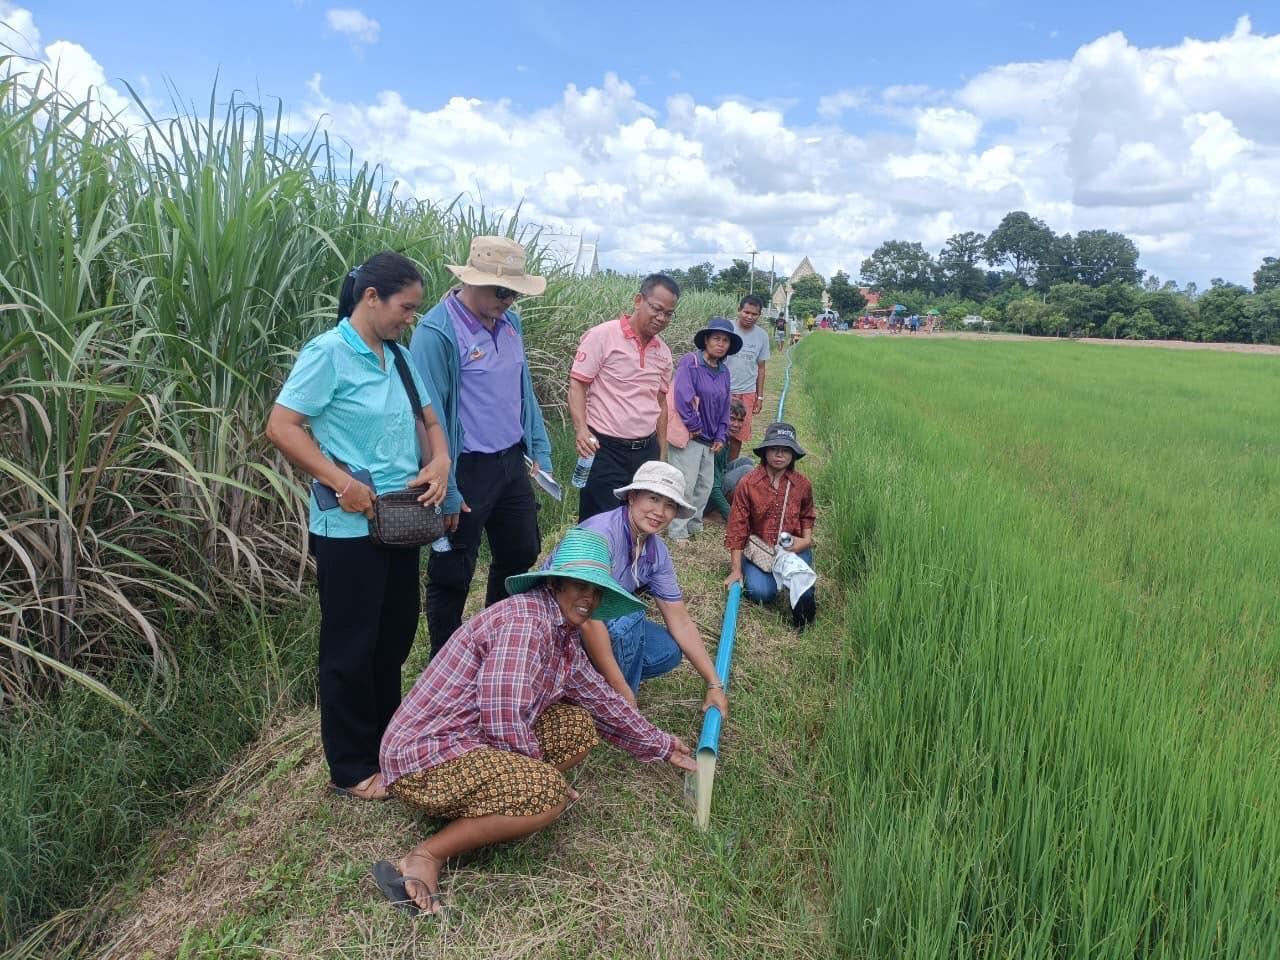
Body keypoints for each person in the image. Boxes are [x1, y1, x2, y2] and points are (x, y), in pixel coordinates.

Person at [374, 528, 697, 915]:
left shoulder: (562, 634)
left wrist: (662, 745)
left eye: (595, 591)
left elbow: (602, 700)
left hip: (466, 740)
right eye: (579, 585)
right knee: (545, 793)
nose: (588, 598)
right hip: (424, 755)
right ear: (555, 583)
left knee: (578, 726)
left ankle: (491, 808)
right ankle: (426, 854)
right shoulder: (527, 622)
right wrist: (539, 781)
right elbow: (503, 715)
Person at [266, 251, 451, 801]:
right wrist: (339, 481)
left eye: (416, 311)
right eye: (405, 307)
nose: (409, 319)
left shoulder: (397, 355)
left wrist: (439, 461)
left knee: (393, 636)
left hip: (401, 518)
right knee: (351, 644)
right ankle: (350, 767)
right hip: (347, 527)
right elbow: (282, 425)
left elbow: (429, 418)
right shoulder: (328, 353)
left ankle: (387, 744)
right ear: (371, 297)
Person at [409, 236, 553, 657]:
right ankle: (446, 660)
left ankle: (496, 639)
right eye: (501, 291)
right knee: (453, 569)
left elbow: (522, 390)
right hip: (464, 468)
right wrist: (446, 485)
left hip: (510, 462)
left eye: (514, 292)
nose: (508, 300)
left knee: (521, 549)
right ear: (473, 282)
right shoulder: (437, 333)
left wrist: (539, 449)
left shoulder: (512, 323)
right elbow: (425, 415)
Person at [567, 461, 729, 718]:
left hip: (598, 619)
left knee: (667, 652)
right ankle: (612, 708)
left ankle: (591, 681)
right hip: (564, 628)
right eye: (653, 499)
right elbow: (587, 620)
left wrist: (714, 683)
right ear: (632, 497)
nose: (660, 512)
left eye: (670, 505)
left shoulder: (655, 550)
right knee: (629, 618)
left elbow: (680, 619)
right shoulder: (600, 534)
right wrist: (623, 691)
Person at [569, 274, 677, 522]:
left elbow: (660, 404)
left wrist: (661, 452)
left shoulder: (663, 353)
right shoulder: (603, 336)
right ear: (638, 300)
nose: (661, 318)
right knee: (599, 520)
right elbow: (578, 384)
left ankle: (631, 561)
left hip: (645, 450)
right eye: (656, 309)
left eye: (668, 314)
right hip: (605, 450)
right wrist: (581, 430)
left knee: (640, 519)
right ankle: (595, 560)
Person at [724, 422, 817, 632]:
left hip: (791, 546)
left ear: (793, 455)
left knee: (803, 586)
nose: (779, 454)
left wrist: (805, 540)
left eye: (785, 450)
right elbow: (737, 526)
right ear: (765, 451)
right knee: (762, 593)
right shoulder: (748, 483)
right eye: (774, 449)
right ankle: (770, 580)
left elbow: (807, 514)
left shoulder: (802, 485)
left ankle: (803, 621)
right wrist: (736, 570)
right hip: (760, 549)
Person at [664, 316, 740, 543]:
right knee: (685, 485)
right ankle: (677, 530)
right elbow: (682, 397)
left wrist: (721, 433)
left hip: (710, 439)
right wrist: (695, 426)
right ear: (706, 340)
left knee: (704, 486)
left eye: (725, 341)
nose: (720, 344)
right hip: (691, 436)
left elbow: (725, 404)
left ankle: (695, 525)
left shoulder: (723, 371)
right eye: (716, 338)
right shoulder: (691, 362)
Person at [723, 295, 771, 461]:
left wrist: (760, 396)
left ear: (759, 315)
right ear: (739, 310)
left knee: (738, 436)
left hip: (747, 393)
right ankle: (715, 470)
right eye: (746, 312)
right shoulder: (727, 329)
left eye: (754, 314)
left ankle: (730, 468)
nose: (749, 317)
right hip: (724, 392)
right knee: (719, 433)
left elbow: (761, 367)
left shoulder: (762, 336)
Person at [704, 399, 747, 524]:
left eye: (740, 420)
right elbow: (713, 487)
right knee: (746, 470)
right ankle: (714, 512)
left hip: (715, 482)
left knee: (746, 461)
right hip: (705, 498)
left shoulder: (725, 438)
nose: (736, 424)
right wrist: (731, 516)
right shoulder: (718, 444)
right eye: (732, 419)